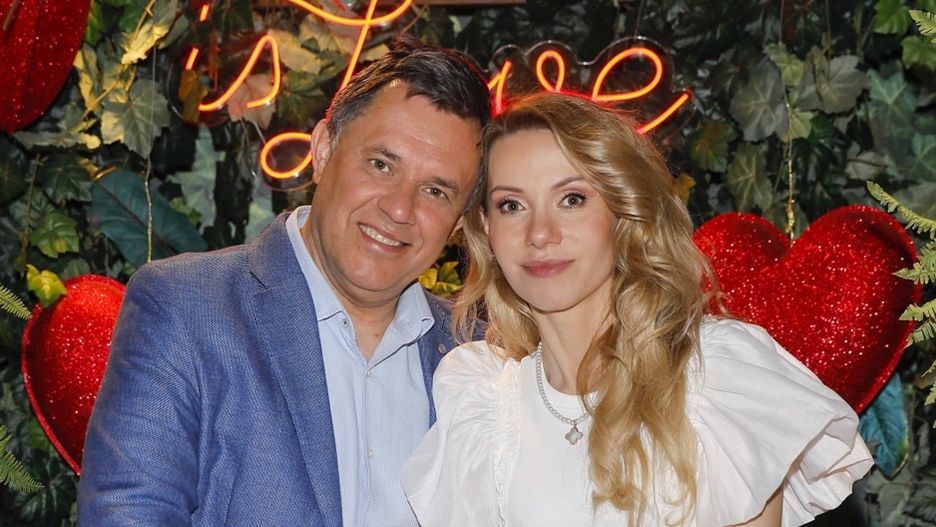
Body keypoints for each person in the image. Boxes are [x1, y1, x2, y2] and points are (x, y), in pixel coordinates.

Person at [401, 92, 873, 526]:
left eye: (571, 199)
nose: (540, 234)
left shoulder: (719, 378)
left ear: (622, 211)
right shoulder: (481, 402)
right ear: (486, 227)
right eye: (511, 205)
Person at [78, 36, 490, 526]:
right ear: (323, 150)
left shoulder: (481, 355)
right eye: (381, 165)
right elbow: (127, 514)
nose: (400, 208)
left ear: (460, 221)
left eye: (436, 191)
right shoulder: (186, 307)